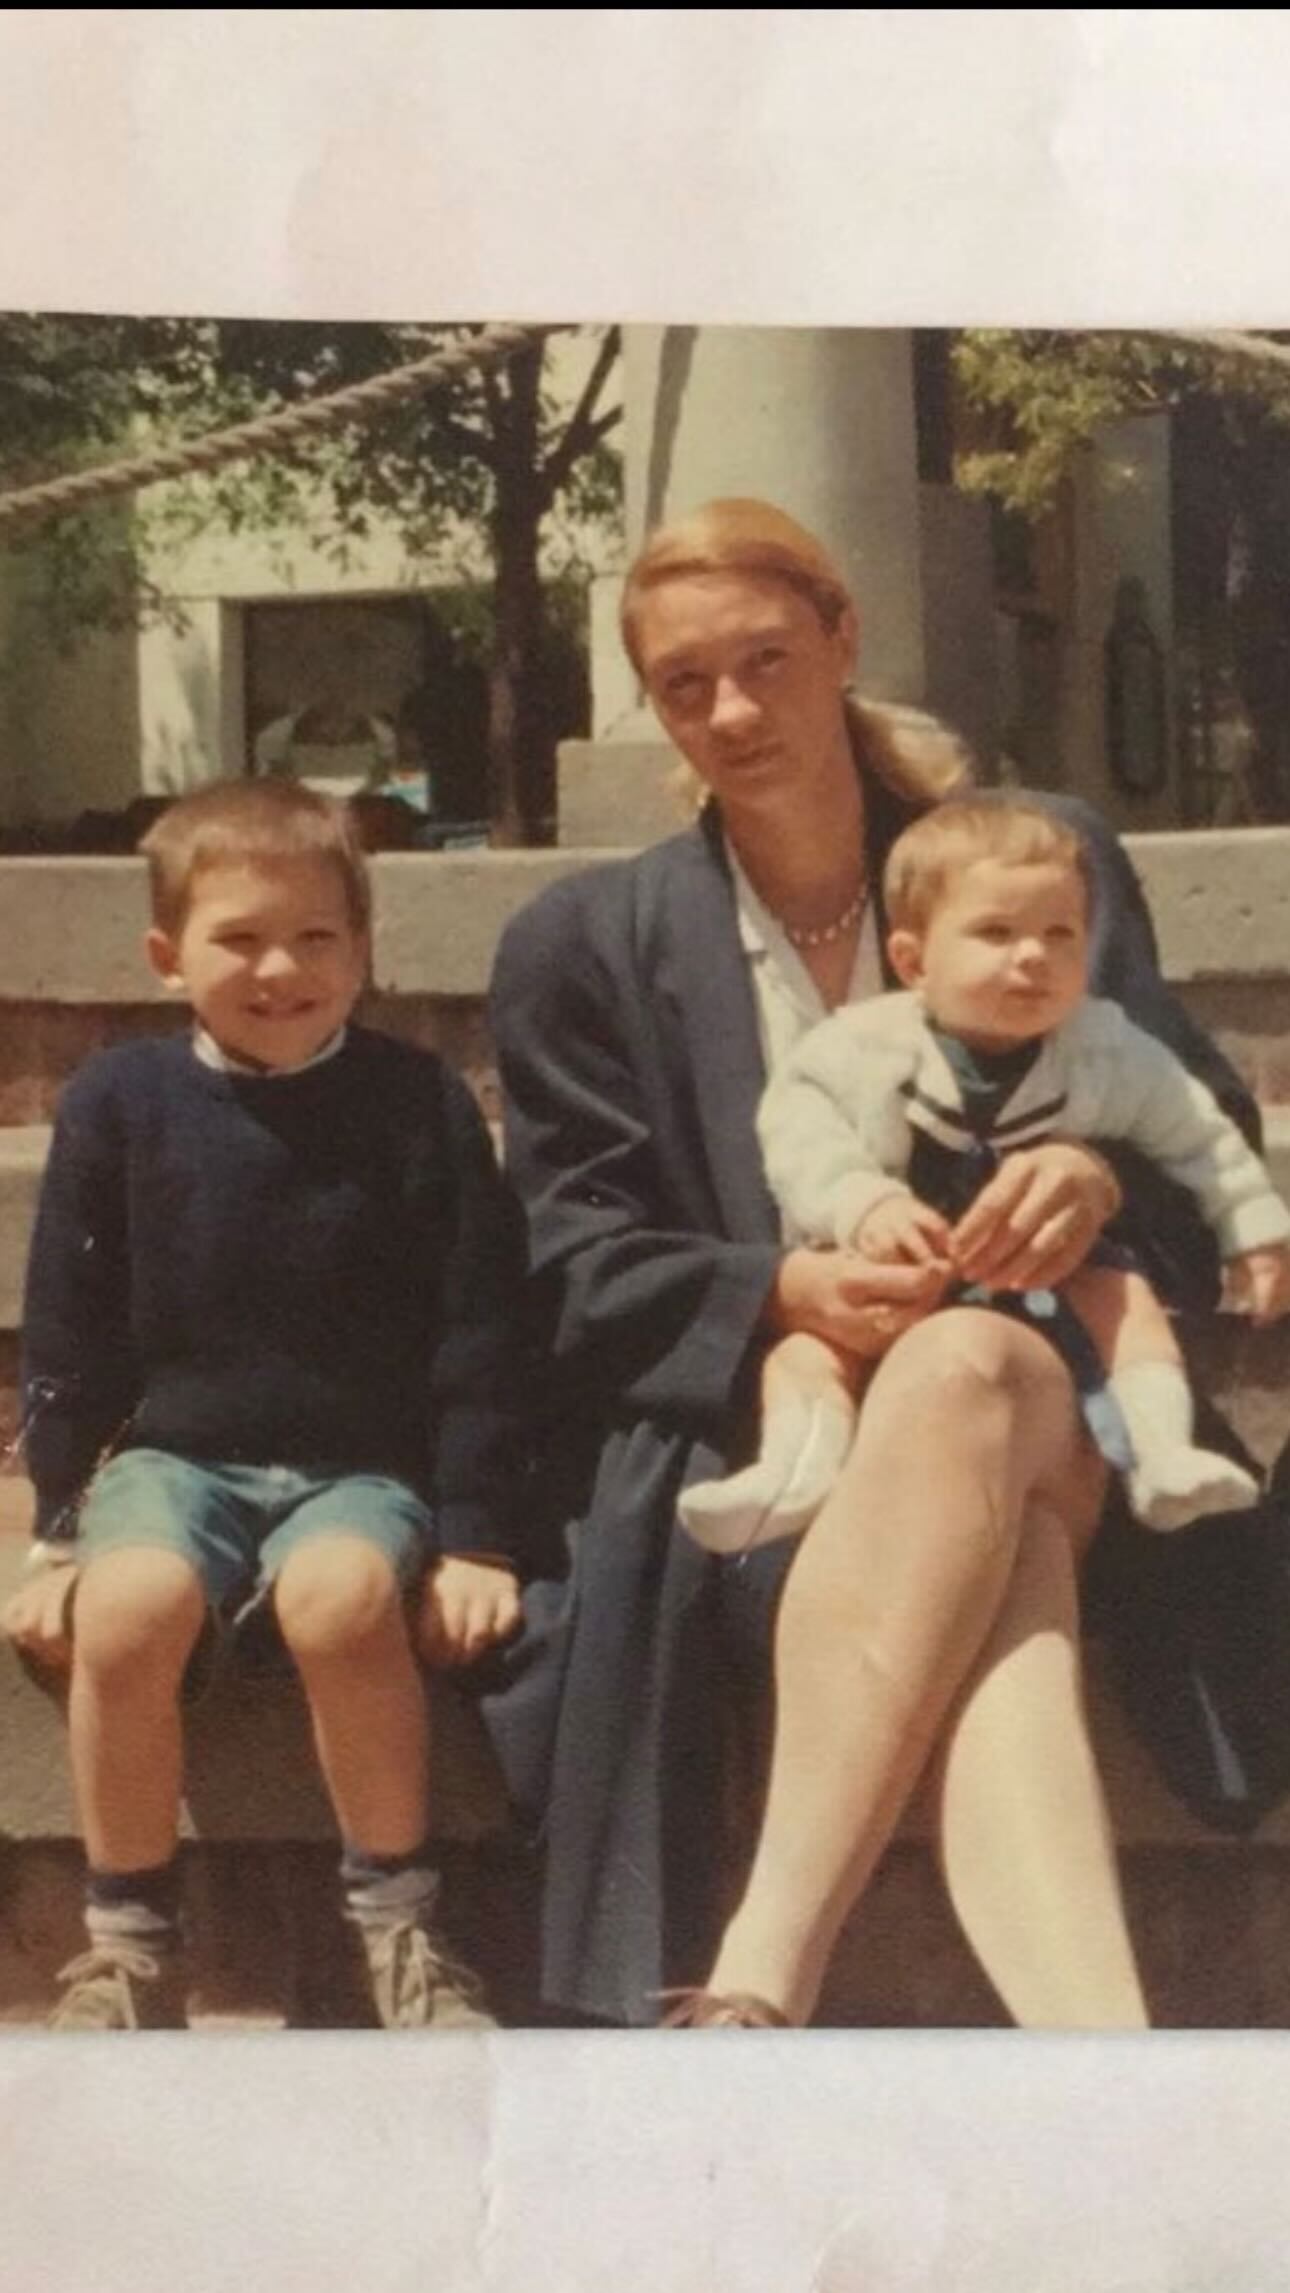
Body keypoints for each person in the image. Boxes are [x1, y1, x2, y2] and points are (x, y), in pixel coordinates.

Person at [483, 495, 1285, 2033]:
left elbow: (1193, 1129)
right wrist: (773, 1292)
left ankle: (754, 1979)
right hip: (782, 1456)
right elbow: (565, 1261)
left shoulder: (1043, 861)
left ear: (842, 637)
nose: (732, 710)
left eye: (766, 660)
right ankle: (1100, 2058)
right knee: (1002, 1567)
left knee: (972, 1358)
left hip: (1075, 1410)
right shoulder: (587, 942)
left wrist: (1087, 1168)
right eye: (685, 685)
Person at [8, 778, 526, 2031]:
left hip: (361, 1466)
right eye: (238, 937)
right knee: (128, 1612)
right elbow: (70, 1325)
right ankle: (129, 1940)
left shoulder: (420, 1105)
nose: (281, 967)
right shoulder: (120, 1105)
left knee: (341, 1600)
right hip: (174, 1460)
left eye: (317, 937)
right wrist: (56, 1523)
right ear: (165, 956)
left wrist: (475, 1535)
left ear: (365, 949)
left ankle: (398, 1927)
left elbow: (479, 1329)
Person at [681, 794, 1290, 1554]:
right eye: (996, 933)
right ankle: (791, 1471)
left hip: (1049, 1275)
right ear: (912, 961)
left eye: (1059, 934)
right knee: (805, 1354)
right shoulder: (865, 1046)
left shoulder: (1104, 1048)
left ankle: (1162, 1456)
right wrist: (860, 1204)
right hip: (910, 1267)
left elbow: (1199, 1134)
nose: (1033, 956)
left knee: (1125, 1298)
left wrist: (1255, 1228)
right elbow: (798, 1129)